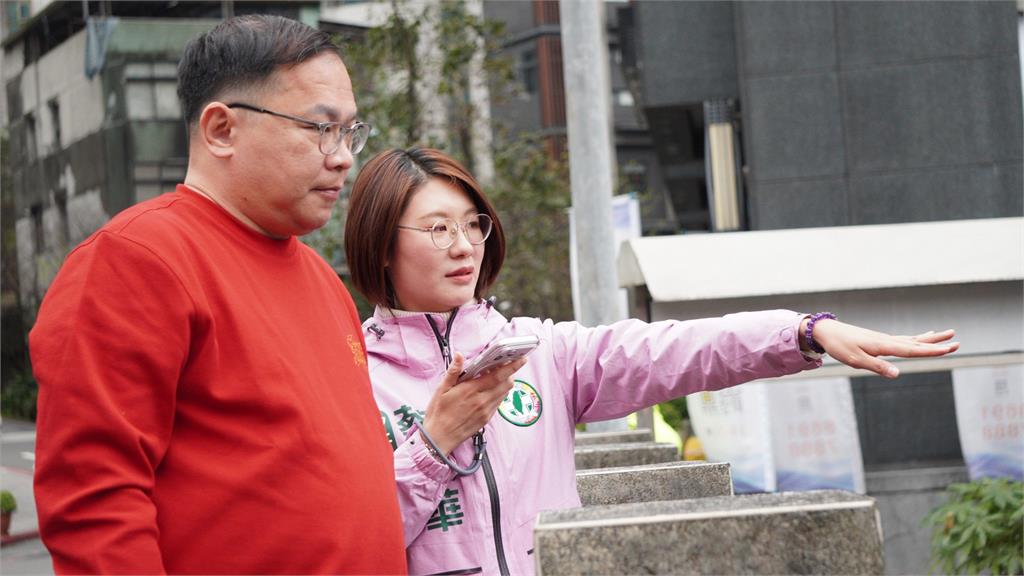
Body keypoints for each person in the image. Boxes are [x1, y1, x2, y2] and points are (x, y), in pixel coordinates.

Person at [343, 146, 960, 576]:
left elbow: (674, 350)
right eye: (437, 229)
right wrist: (435, 440)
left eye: (472, 225)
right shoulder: (350, 378)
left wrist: (800, 332)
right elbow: (353, 544)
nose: (464, 247)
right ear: (381, 243)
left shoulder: (541, 352)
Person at [30, 15, 406, 574]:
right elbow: (93, 505)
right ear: (221, 130)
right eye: (320, 128)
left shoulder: (323, 280)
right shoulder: (137, 260)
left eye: (351, 131)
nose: (343, 156)